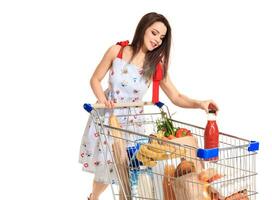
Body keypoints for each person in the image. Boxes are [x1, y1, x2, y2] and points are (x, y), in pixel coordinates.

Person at [79, 12, 219, 200]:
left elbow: (176, 96)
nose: (157, 40)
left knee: (130, 171)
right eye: (154, 33)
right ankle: (93, 198)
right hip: (108, 118)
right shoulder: (117, 51)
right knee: (106, 170)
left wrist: (200, 103)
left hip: (133, 124)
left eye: (162, 38)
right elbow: (95, 79)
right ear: (143, 28)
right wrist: (103, 101)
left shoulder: (156, 64)